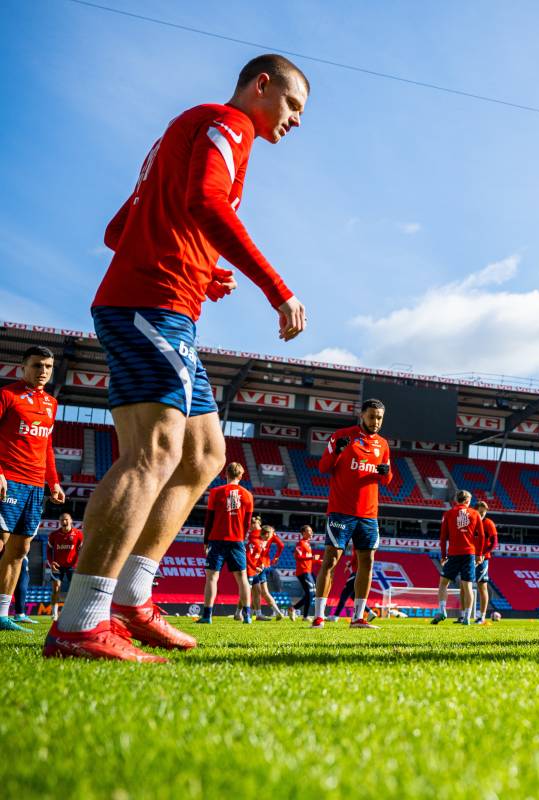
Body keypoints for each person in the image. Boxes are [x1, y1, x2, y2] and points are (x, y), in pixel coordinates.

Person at [45, 55, 309, 662]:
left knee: (205, 453)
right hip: (150, 302)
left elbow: (120, 229)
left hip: (166, 303)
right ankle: (81, 622)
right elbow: (206, 204)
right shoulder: (228, 123)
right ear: (260, 86)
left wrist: (205, 269)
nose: (295, 122)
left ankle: (132, 601)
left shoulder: (187, 130)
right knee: (155, 451)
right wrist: (278, 289)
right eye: (293, 107)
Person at [311, 400, 395, 629]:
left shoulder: (383, 445)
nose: (376, 422)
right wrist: (337, 452)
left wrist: (386, 473)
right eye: (372, 417)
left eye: (379, 417)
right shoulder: (341, 436)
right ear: (361, 416)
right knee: (331, 560)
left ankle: (358, 618)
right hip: (341, 512)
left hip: (369, 514)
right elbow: (323, 467)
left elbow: (387, 479)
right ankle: (318, 616)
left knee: (367, 563)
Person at [0, 346, 65, 633]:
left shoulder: (51, 402)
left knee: (20, 548)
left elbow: (47, 447)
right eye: (37, 365)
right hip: (8, 479)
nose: (43, 372)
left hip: (35, 485)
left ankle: (2, 615)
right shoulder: (7, 395)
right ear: (22, 366)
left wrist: (54, 481)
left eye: (48, 367)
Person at [198, 462, 253, 624]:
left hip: (217, 539)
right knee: (242, 578)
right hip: (237, 541)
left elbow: (209, 519)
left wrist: (206, 540)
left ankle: (207, 616)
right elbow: (247, 523)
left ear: (225, 474)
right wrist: (240, 537)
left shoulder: (215, 492)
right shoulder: (248, 495)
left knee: (212, 578)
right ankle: (248, 615)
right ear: (241, 476)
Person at [432, 491, 483, 625]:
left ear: (456, 500)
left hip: (454, 554)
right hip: (469, 554)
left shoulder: (448, 514)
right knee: (468, 586)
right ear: (467, 501)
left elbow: (443, 537)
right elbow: (482, 536)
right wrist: (479, 554)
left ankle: (442, 610)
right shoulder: (475, 514)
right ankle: (467, 617)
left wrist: (443, 555)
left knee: (443, 583)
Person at [48, 513, 84, 621]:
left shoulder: (78, 534)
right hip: (57, 566)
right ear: (60, 522)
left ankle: (75, 613)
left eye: (66, 520)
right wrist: (51, 562)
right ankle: (54, 614)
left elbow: (82, 550)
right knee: (56, 589)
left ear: (71, 520)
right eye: (62, 520)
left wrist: (79, 563)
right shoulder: (54, 535)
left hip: (72, 567)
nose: (64, 522)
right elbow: (49, 550)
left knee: (75, 591)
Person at [254, 525, 287, 620]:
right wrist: (276, 557)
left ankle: (255, 614)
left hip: (259, 566)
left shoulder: (257, 536)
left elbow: (281, 545)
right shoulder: (262, 538)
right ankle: (276, 612)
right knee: (257, 591)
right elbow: (281, 545)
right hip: (261, 566)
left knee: (256, 591)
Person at [476, 501, 498, 623]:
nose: (482, 514)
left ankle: (482, 616)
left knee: (481, 585)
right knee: (465, 584)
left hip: (483, 558)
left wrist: (483, 554)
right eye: (480, 512)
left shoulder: (488, 523)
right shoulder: (471, 522)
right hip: (470, 556)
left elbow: (494, 542)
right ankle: (464, 615)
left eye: (484, 512)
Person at [290, 525, 319, 620]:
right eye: (308, 531)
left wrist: (318, 561)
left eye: (311, 531)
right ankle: (299, 612)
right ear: (303, 533)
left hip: (308, 571)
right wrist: (311, 558)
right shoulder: (300, 543)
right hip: (303, 571)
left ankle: (299, 612)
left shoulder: (307, 544)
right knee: (310, 593)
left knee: (312, 593)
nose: (311, 533)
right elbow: (297, 557)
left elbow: (307, 560)